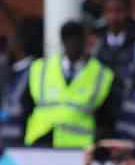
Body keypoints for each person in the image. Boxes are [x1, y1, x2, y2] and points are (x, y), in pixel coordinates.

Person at [23, 20, 119, 148]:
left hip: (79, 146)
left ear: (85, 41)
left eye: (77, 38)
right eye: (68, 38)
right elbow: (26, 106)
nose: (72, 43)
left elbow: (107, 116)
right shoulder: (40, 69)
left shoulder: (102, 75)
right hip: (40, 141)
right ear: (62, 41)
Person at [0, 16, 44, 145]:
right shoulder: (11, 70)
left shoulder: (36, 70)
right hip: (6, 142)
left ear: (22, 40)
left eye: (13, 36)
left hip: (25, 144)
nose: (9, 40)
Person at [93, 0, 135, 80]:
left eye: (119, 11)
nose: (114, 16)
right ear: (104, 13)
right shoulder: (96, 42)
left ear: (128, 12)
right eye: (109, 11)